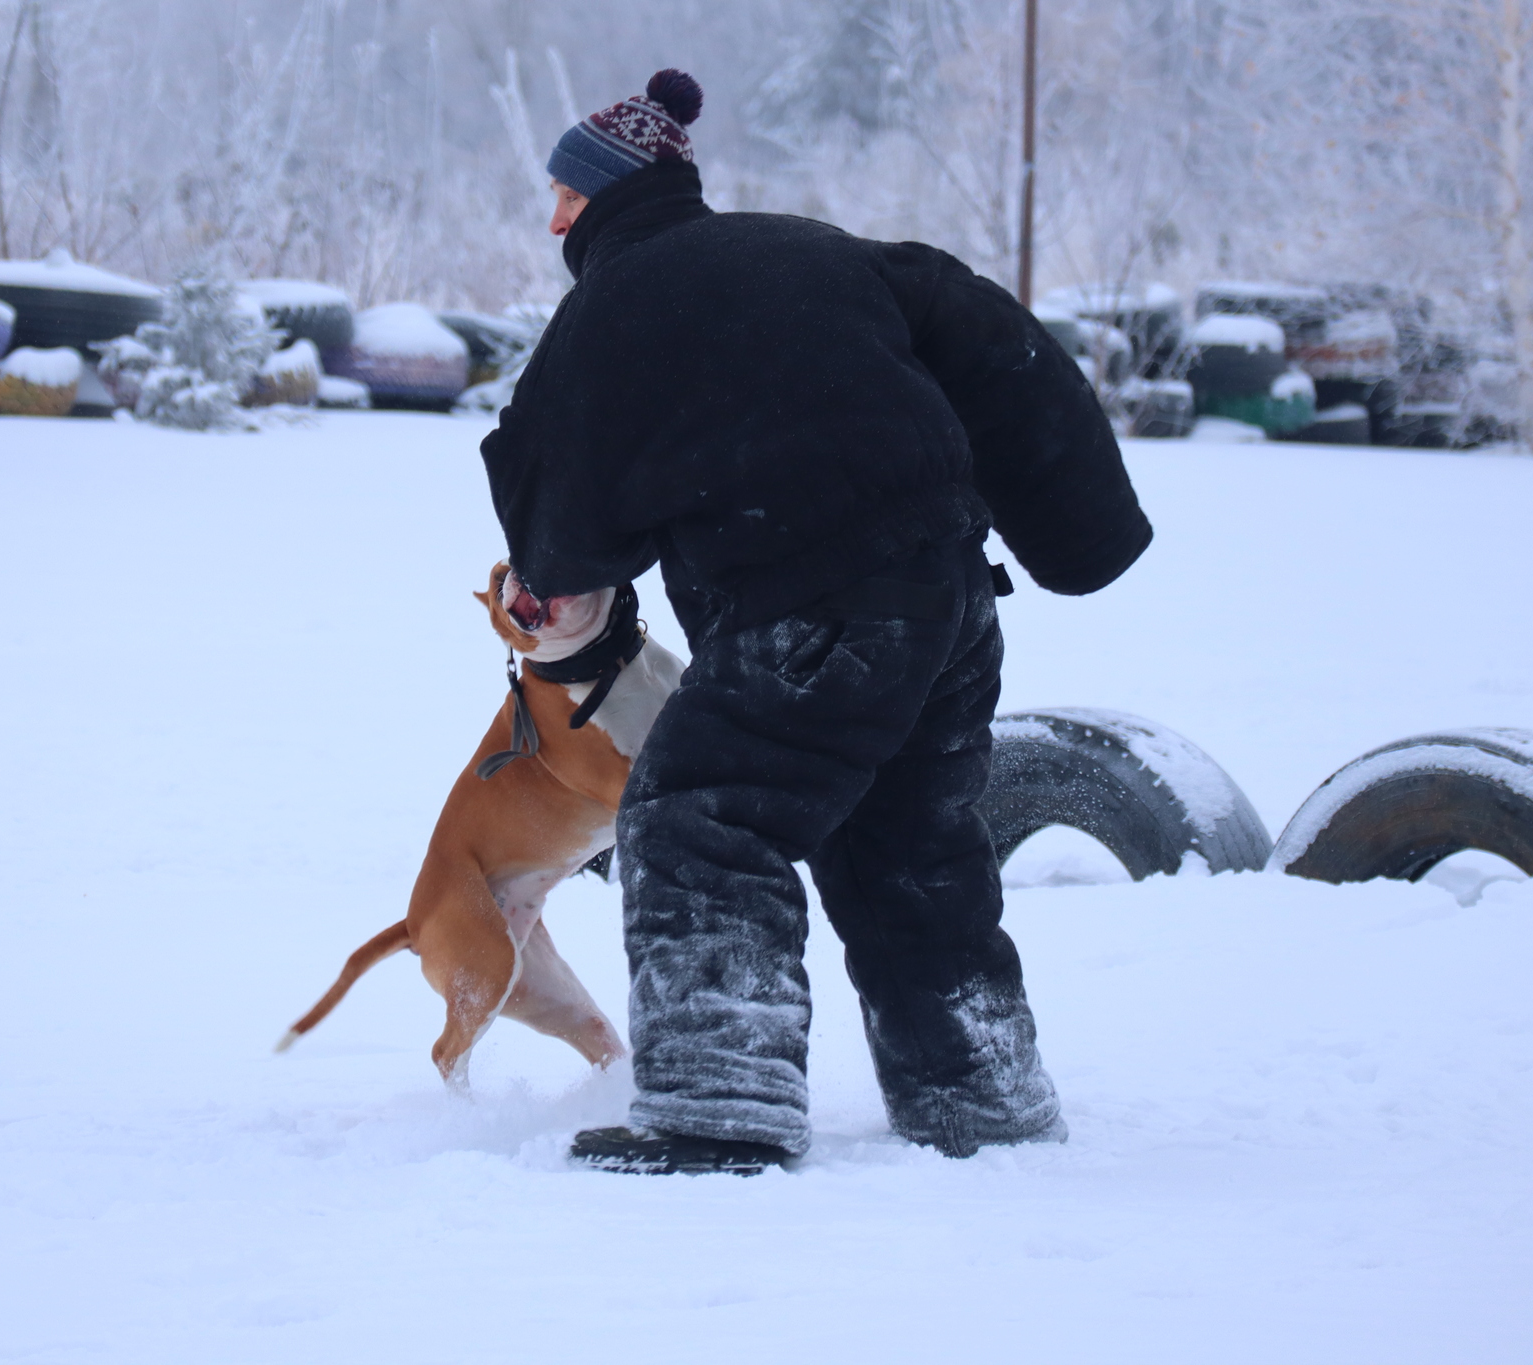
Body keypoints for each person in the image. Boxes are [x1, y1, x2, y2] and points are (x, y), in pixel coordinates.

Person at [480, 70, 1152, 1175]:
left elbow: (547, 454)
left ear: (604, 198)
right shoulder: (825, 252)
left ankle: (717, 1110)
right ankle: (981, 1100)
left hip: (810, 615)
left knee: (701, 819)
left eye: (563, 194)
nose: (552, 219)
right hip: (947, 608)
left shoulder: (618, 299)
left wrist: (556, 574)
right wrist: (1081, 538)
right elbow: (998, 348)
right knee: (907, 846)